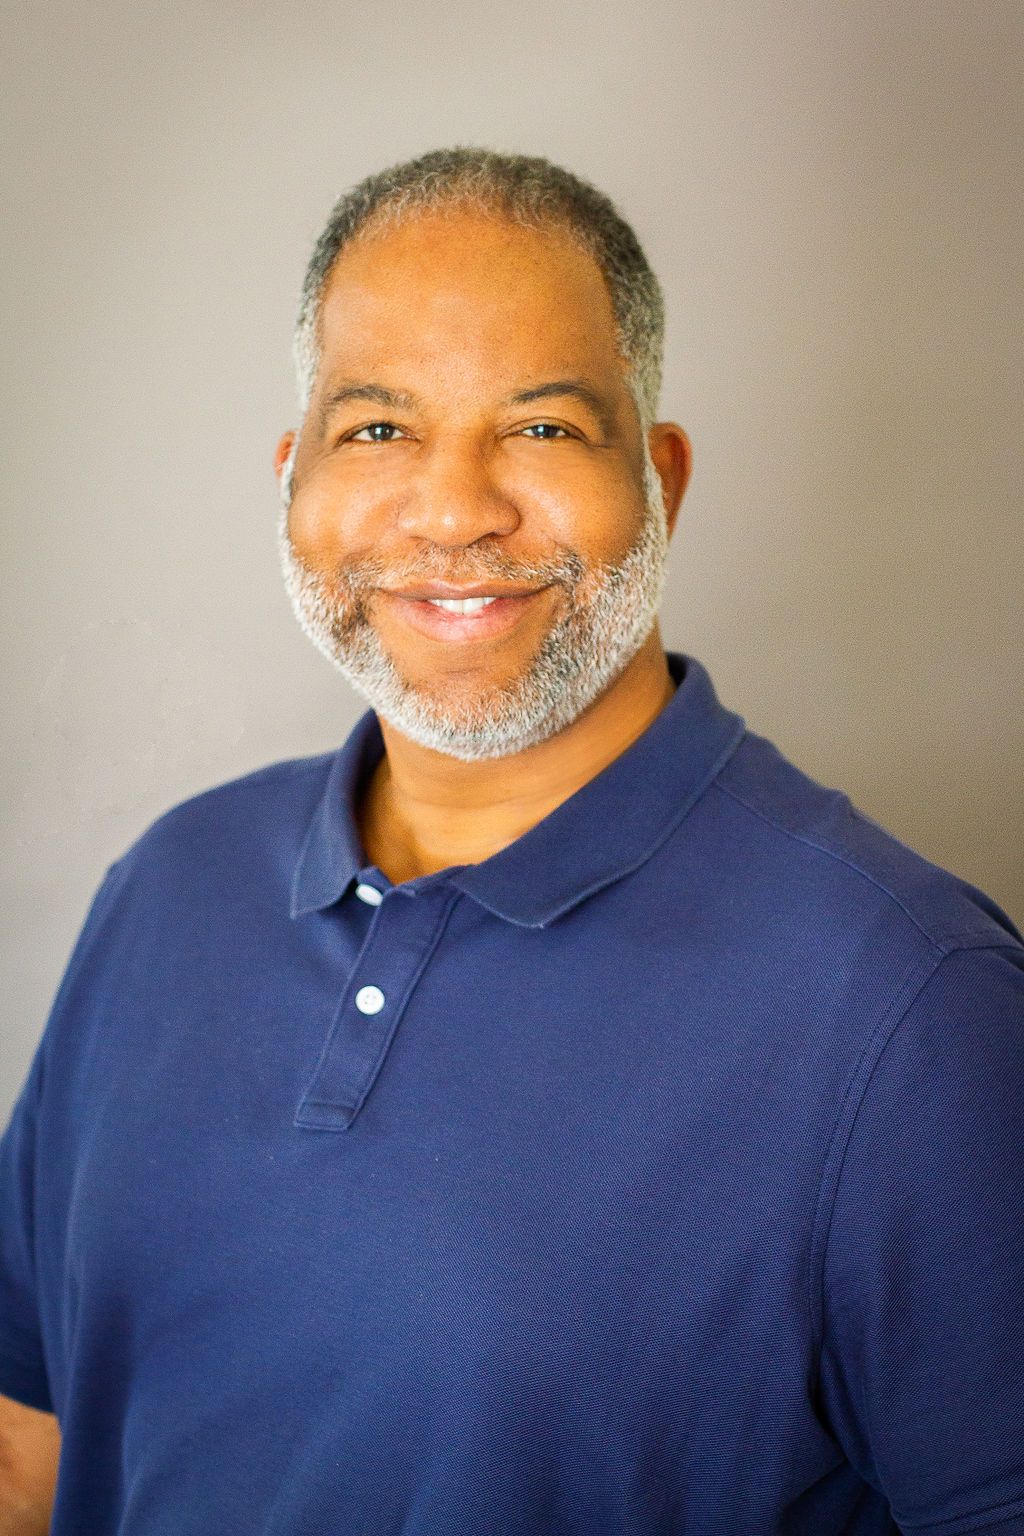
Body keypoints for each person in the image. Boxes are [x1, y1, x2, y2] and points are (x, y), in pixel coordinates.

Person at [1, 147, 1022, 1536]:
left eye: (542, 430)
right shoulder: (167, 893)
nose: (454, 509)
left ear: (659, 479)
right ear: (293, 477)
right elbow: (33, 1448)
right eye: (378, 431)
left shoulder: (913, 1008)